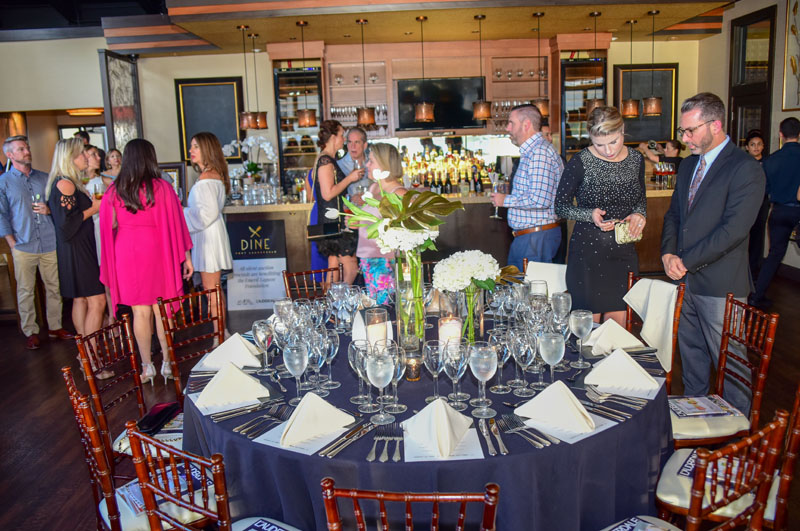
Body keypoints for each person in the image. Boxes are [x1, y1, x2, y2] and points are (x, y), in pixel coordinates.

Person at [661, 92, 764, 415]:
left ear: (715, 125)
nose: (685, 138)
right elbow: (674, 215)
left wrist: (685, 261)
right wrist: (667, 253)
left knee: (731, 365)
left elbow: (733, 231)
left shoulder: (745, 168)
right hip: (684, 280)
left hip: (721, 284)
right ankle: (696, 419)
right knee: (691, 357)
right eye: (683, 131)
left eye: (690, 131)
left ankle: (738, 430)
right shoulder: (688, 165)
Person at [99, 139, 193, 385]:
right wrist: (186, 257)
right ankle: (168, 364)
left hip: (127, 251)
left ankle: (147, 367)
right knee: (162, 310)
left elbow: (109, 225)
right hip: (157, 249)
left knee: (139, 312)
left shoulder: (115, 189)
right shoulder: (162, 187)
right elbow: (177, 225)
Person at [555, 106, 646, 326]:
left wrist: (639, 214)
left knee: (617, 329)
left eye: (614, 141)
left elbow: (640, 199)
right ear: (590, 138)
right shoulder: (580, 161)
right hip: (587, 256)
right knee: (588, 330)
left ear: (622, 130)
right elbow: (560, 207)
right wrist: (590, 214)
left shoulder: (636, 159)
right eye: (599, 145)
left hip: (623, 254)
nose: (608, 150)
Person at [0, 135, 73, 349]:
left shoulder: (45, 178)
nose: (27, 152)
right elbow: (1, 214)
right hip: (23, 244)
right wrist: (11, 242)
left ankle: (55, 327)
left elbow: (57, 206)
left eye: (27, 148)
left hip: (49, 241)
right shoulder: (4, 182)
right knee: (25, 290)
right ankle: (30, 331)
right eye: (21, 149)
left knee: (54, 287)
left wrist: (49, 210)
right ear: (10, 155)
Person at [45, 138, 106, 349]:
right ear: (70, 158)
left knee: (81, 299)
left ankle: (86, 355)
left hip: (75, 247)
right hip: (78, 248)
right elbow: (66, 225)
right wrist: (94, 209)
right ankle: (91, 354)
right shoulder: (66, 184)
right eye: (82, 153)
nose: (86, 157)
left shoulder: (67, 181)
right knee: (98, 300)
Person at [490, 104, 564, 272]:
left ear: (526, 125)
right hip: (533, 237)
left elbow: (540, 200)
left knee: (531, 287)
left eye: (511, 123)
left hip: (536, 238)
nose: (508, 128)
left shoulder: (539, 153)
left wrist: (505, 200)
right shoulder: (533, 151)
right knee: (522, 285)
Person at [184, 132, 232, 340]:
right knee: (214, 289)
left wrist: (181, 212)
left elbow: (205, 214)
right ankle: (221, 333)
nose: (191, 151)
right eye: (191, 146)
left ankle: (219, 336)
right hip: (210, 234)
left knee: (211, 290)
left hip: (208, 238)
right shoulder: (213, 174)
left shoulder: (206, 178)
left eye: (196, 146)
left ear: (207, 149)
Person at [750, 118, 800, 309]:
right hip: (798, 210)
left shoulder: (771, 160)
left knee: (774, 254)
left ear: (781, 135)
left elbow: (765, 189)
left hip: (779, 210)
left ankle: (756, 295)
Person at [312, 120, 364, 284]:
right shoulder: (326, 161)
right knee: (351, 265)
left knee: (334, 264)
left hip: (333, 219)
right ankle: (342, 297)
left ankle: (331, 297)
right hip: (333, 221)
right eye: (342, 135)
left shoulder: (328, 159)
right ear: (333, 137)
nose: (344, 139)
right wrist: (350, 178)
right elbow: (327, 194)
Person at [355, 143, 407, 304]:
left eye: (371, 161)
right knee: (375, 307)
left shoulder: (399, 193)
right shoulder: (374, 187)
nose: (367, 165)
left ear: (384, 164)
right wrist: (358, 221)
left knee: (387, 307)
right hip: (368, 258)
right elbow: (372, 220)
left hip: (387, 262)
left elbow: (405, 231)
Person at [744, 130, 770, 280]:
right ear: (747, 147)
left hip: (762, 203)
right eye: (753, 145)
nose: (756, 147)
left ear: (763, 146)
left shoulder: (768, 163)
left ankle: (754, 270)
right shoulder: (743, 163)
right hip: (746, 202)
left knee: (758, 235)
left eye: (759, 144)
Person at [337, 127, 372, 204]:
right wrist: (351, 199)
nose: (353, 146)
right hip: (349, 210)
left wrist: (370, 197)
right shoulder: (339, 166)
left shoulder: (373, 163)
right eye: (350, 142)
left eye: (357, 142)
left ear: (365, 145)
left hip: (371, 210)